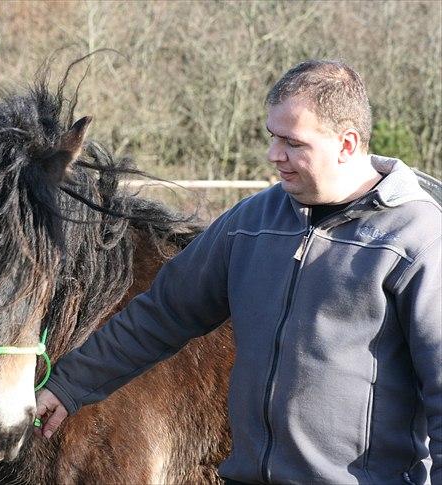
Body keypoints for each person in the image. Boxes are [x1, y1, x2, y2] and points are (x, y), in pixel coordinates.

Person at [35, 60, 441, 484]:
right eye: (272, 137)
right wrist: (69, 385)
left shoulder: (417, 240)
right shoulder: (251, 222)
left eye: (292, 142)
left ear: (346, 144)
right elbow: (162, 313)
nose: (273, 155)